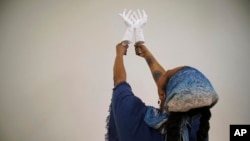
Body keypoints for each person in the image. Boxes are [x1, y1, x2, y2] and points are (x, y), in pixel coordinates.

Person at [105, 9, 218, 141]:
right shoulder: (197, 127)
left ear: (163, 94)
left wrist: (119, 53)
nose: (164, 73)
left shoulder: (134, 118)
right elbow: (174, 90)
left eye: (167, 73)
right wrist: (147, 54)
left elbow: (119, 82)